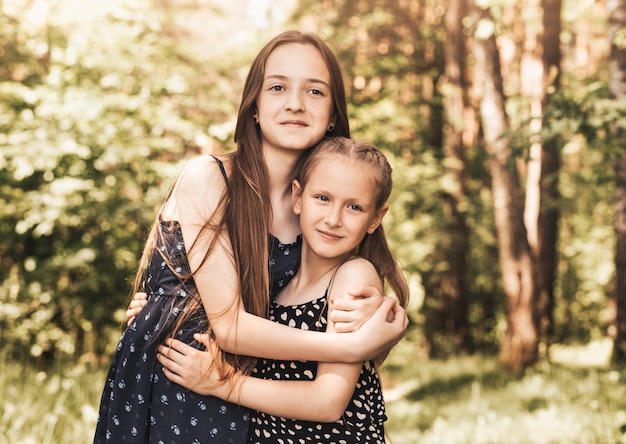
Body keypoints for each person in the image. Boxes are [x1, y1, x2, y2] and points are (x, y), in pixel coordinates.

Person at [94, 30, 408, 444]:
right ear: (254, 106)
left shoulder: (320, 208)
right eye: (277, 87)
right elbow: (230, 325)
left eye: (315, 91)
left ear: (333, 113)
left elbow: (327, 299)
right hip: (178, 375)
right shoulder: (210, 177)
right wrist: (355, 347)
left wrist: (379, 317)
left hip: (250, 395)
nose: (295, 103)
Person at [157, 137, 410, 443]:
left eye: (354, 207)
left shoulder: (352, 277)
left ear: (376, 218)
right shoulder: (278, 282)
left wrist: (221, 383)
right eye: (323, 198)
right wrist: (152, 305)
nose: (334, 219)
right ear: (298, 197)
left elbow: (327, 402)